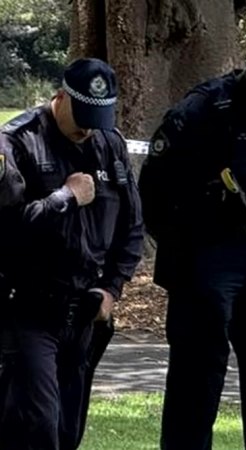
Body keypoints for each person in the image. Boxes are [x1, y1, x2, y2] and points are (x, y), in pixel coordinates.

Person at [138, 40, 246, 450]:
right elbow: (152, 191)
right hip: (203, 252)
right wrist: (190, 247)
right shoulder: (201, 110)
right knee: (196, 382)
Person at [0, 57, 144, 450]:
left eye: (96, 119)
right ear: (59, 97)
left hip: (82, 316)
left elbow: (132, 227)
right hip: (27, 311)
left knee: (67, 433)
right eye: (80, 116)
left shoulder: (108, 143)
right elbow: (7, 229)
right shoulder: (17, 142)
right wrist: (65, 198)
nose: (86, 130)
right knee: (37, 427)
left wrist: (113, 289)